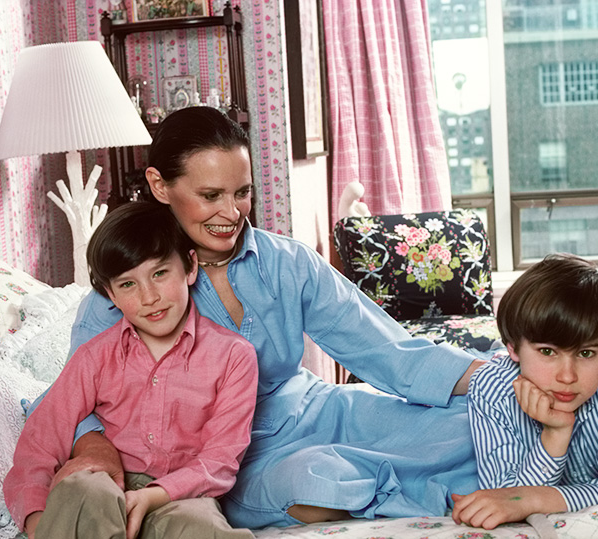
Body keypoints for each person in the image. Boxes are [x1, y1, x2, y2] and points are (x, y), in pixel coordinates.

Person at [26, 106, 487, 529]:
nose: (231, 213)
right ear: (160, 185)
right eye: (210, 195)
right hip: (231, 456)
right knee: (317, 477)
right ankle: (405, 486)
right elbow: (73, 397)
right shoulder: (125, 293)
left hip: (310, 411)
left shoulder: (288, 262)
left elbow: (389, 352)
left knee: (475, 422)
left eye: (242, 192)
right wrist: (93, 444)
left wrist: (501, 379)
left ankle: (488, 473)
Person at [5, 202, 258, 539]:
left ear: (190, 267)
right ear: (110, 294)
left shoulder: (233, 356)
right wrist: (39, 521)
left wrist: (152, 495)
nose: (149, 297)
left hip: (178, 494)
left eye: (159, 274)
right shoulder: (94, 357)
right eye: (127, 285)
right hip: (107, 485)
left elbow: (219, 460)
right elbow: (40, 441)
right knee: (81, 489)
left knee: (201, 529)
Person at [451, 253, 598, 529]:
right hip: (519, 362)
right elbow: (503, 494)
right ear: (512, 348)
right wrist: (555, 434)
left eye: (586, 353)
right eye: (547, 352)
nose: (567, 377)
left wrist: (532, 498)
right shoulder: (490, 385)